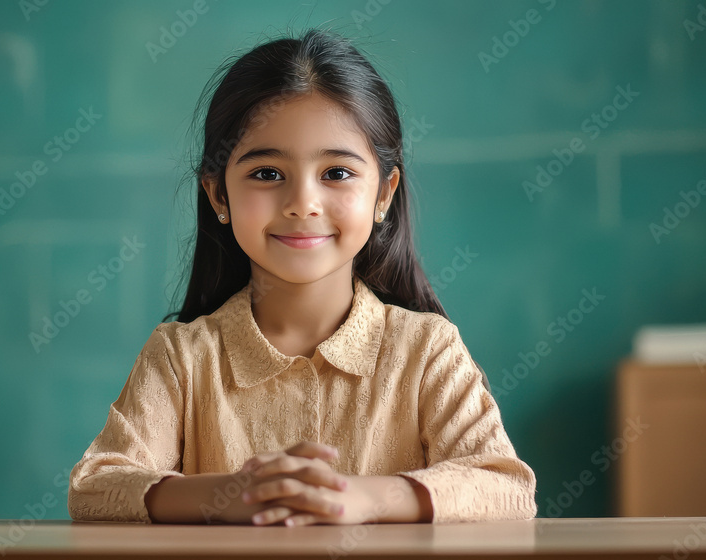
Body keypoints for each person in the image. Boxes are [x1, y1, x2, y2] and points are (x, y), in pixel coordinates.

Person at [68, 27, 537, 527]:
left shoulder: (427, 351)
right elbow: (95, 487)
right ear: (218, 195)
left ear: (384, 193)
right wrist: (227, 495)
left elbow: (506, 488)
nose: (302, 204)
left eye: (337, 173)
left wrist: (363, 498)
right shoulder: (181, 358)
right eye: (267, 174)